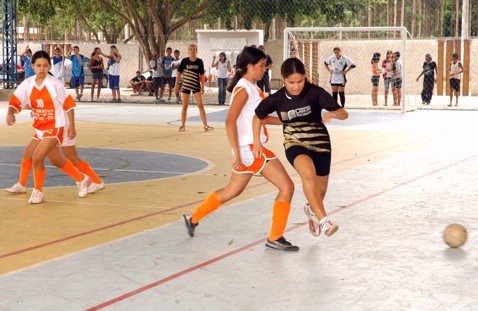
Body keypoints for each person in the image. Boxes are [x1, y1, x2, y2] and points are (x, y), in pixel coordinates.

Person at [182, 47, 299, 251]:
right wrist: (237, 153)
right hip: (252, 149)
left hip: (249, 149)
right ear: (249, 66)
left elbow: (260, 118)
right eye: (261, 66)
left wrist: (288, 121)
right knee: (287, 187)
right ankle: (275, 236)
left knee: (231, 191)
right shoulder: (244, 89)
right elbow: (229, 121)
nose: (264, 69)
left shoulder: (251, 87)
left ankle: (193, 218)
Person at [254, 57, 348, 237]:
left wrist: (333, 113)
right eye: (291, 82)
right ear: (283, 80)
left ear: (305, 77)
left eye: (300, 81)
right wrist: (256, 142)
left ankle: (312, 211)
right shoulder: (277, 98)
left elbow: (344, 114)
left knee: (319, 192)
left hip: (320, 142)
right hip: (294, 141)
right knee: (307, 173)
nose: (296, 86)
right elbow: (259, 116)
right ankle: (324, 221)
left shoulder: (315, 93)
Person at [5, 50, 91, 204]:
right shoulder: (28, 84)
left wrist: (72, 126)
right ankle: (82, 178)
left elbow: (69, 105)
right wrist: (10, 113)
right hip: (40, 129)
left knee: (37, 157)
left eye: (45, 65)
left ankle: (38, 192)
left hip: (55, 127)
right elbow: (15, 102)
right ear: (32, 66)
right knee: (49, 159)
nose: (42, 68)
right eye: (38, 65)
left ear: (49, 66)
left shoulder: (54, 84)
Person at [5, 122, 106, 195]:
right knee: (33, 154)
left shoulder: (57, 93)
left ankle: (95, 181)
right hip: (45, 127)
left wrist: (72, 126)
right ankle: (22, 185)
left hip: (59, 127)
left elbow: (69, 107)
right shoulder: (36, 94)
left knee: (71, 158)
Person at [174, 44, 214, 132]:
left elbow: (202, 75)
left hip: (196, 85)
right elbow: (179, 73)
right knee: (185, 106)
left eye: (194, 49)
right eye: (191, 49)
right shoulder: (184, 61)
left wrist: (203, 87)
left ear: (196, 51)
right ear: (188, 51)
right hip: (186, 85)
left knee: (200, 105)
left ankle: (205, 125)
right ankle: (183, 125)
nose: (192, 51)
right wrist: (176, 85)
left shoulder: (199, 61)